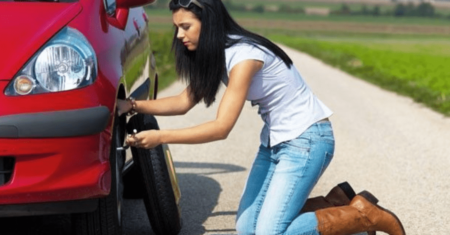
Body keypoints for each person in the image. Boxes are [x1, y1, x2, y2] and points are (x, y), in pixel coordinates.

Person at [117, 0, 405, 234]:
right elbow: (182, 102)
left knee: (270, 234)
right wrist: (130, 105)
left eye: (185, 27)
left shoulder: (244, 57)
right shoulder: (218, 55)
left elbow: (221, 128)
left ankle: (363, 215)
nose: (179, 35)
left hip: (307, 142)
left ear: (210, 23)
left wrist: (160, 137)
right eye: (177, 28)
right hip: (275, 144)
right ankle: (335, 203)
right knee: (247, 228)